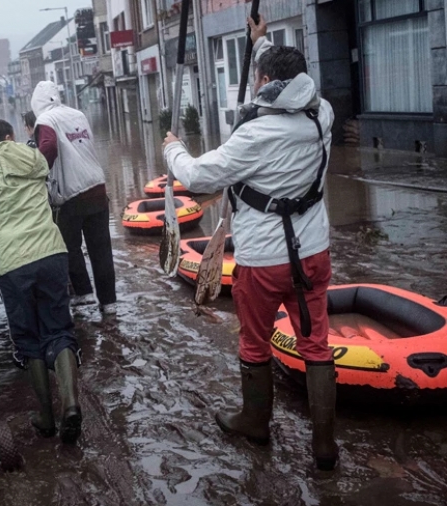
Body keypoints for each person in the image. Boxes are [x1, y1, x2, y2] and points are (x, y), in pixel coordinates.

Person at [162, 15, 337, 471]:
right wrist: (260, 43)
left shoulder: (255, 135)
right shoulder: (323, 113)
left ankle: (255, 422)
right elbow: (281, 77)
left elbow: (198, 175)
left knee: (255, 342)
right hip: (313, 253)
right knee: (316, 344)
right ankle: (324, 445)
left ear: (262, 83)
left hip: (263, 260)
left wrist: (172, 148)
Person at [0, 119, 82, 444]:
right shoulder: (34, 159)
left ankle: (46, 417)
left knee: (29, 338)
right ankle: (70, 404)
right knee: (59, 330)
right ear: (10, 136)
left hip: (14, 264)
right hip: (52, 252)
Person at [30, 81, 117, 314]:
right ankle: (109, 304)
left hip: (72, 195)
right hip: (97, 187)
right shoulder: (78, 114)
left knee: (67, 246)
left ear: (36, 103)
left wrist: (37, 172)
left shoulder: (45, 120)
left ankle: (83, 292)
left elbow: (48, 147)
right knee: (101, 250)